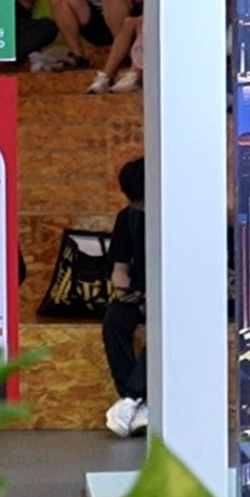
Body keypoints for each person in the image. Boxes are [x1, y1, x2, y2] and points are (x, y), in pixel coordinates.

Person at [103, 157, 148, 437]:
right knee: (114, 320)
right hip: (140, 294)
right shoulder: (128, 218)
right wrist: (125, 293)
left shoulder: (182, 216)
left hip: (176, 296)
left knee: (165, 326)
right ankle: (137, 404)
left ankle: (131, 399)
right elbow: (119, 269)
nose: (139, 207)